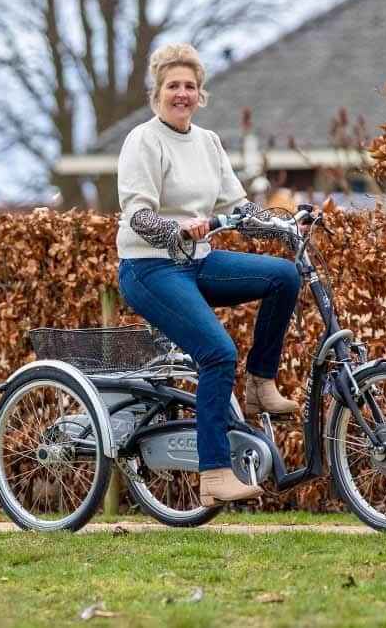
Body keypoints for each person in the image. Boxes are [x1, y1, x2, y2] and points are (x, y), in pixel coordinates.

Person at [116, 44, 301, 506]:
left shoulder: (208, 142)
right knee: (217, 353)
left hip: (198, 262)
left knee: (283, 276)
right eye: (173, 86)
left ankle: (260, 384)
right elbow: (137, 216)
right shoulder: (144, 140)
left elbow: (238, 208)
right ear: (157, 93)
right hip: (150, 268)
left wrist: (284, 223)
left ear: (201, 95)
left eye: (190, 86)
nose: (182, 94)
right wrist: (176, 226)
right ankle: (214, 473)